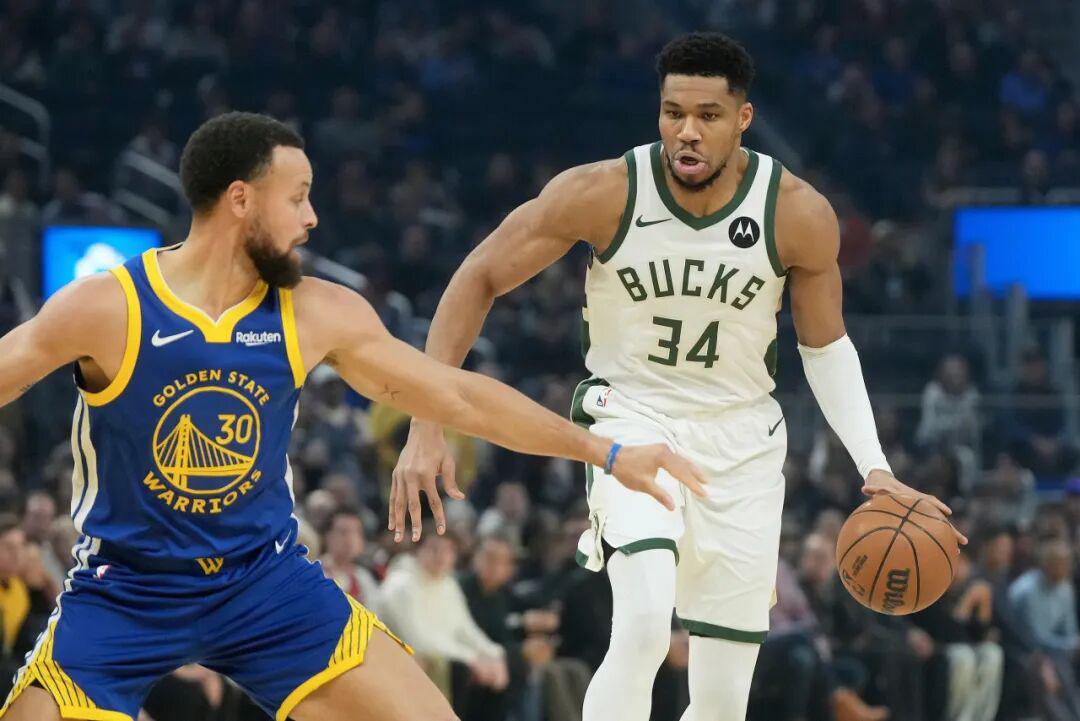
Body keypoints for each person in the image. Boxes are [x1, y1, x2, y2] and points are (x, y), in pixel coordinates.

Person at [0, 112, 706, 721]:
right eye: (297, 198)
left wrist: (605, 451)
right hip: (127, 588)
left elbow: (455, 396)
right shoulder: (108, 306)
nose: (311, 218)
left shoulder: (315, 312)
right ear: (240, 199)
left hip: (263, 582)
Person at [393, 32, 964, 721]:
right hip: (631, 416)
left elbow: (826, 347)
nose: (687, 131)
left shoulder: (796, 212)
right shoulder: (604, 192)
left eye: (708, 115)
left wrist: (875, 466)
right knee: (642, 627)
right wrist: (427, 423)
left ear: (743, 118)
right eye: (673, 113)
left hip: (743, 440)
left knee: (722, 699)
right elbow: (478, 276)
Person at [321, 508, 381, 607]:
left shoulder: (363, 578)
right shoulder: (315, 573)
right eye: (343, 532)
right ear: (327, 536)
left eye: (356, 533)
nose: (350, 539)